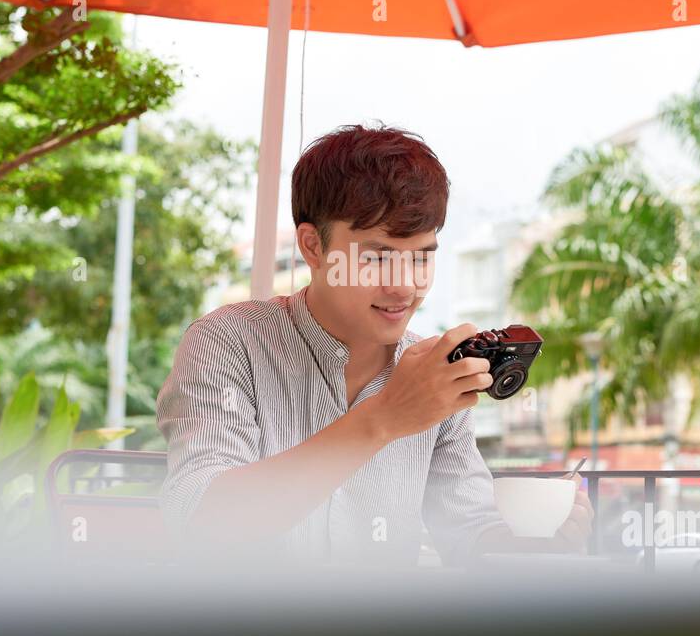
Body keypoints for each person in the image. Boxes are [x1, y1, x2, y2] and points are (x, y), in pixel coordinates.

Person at [155, 123, 592, 568]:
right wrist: (385, 417)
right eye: (377, 257)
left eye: (422, 256)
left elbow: (471, 534)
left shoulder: (434, 372)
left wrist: (537, 544)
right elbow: (200, 521)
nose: (405, 287)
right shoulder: (227, 343)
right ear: (312, 246)